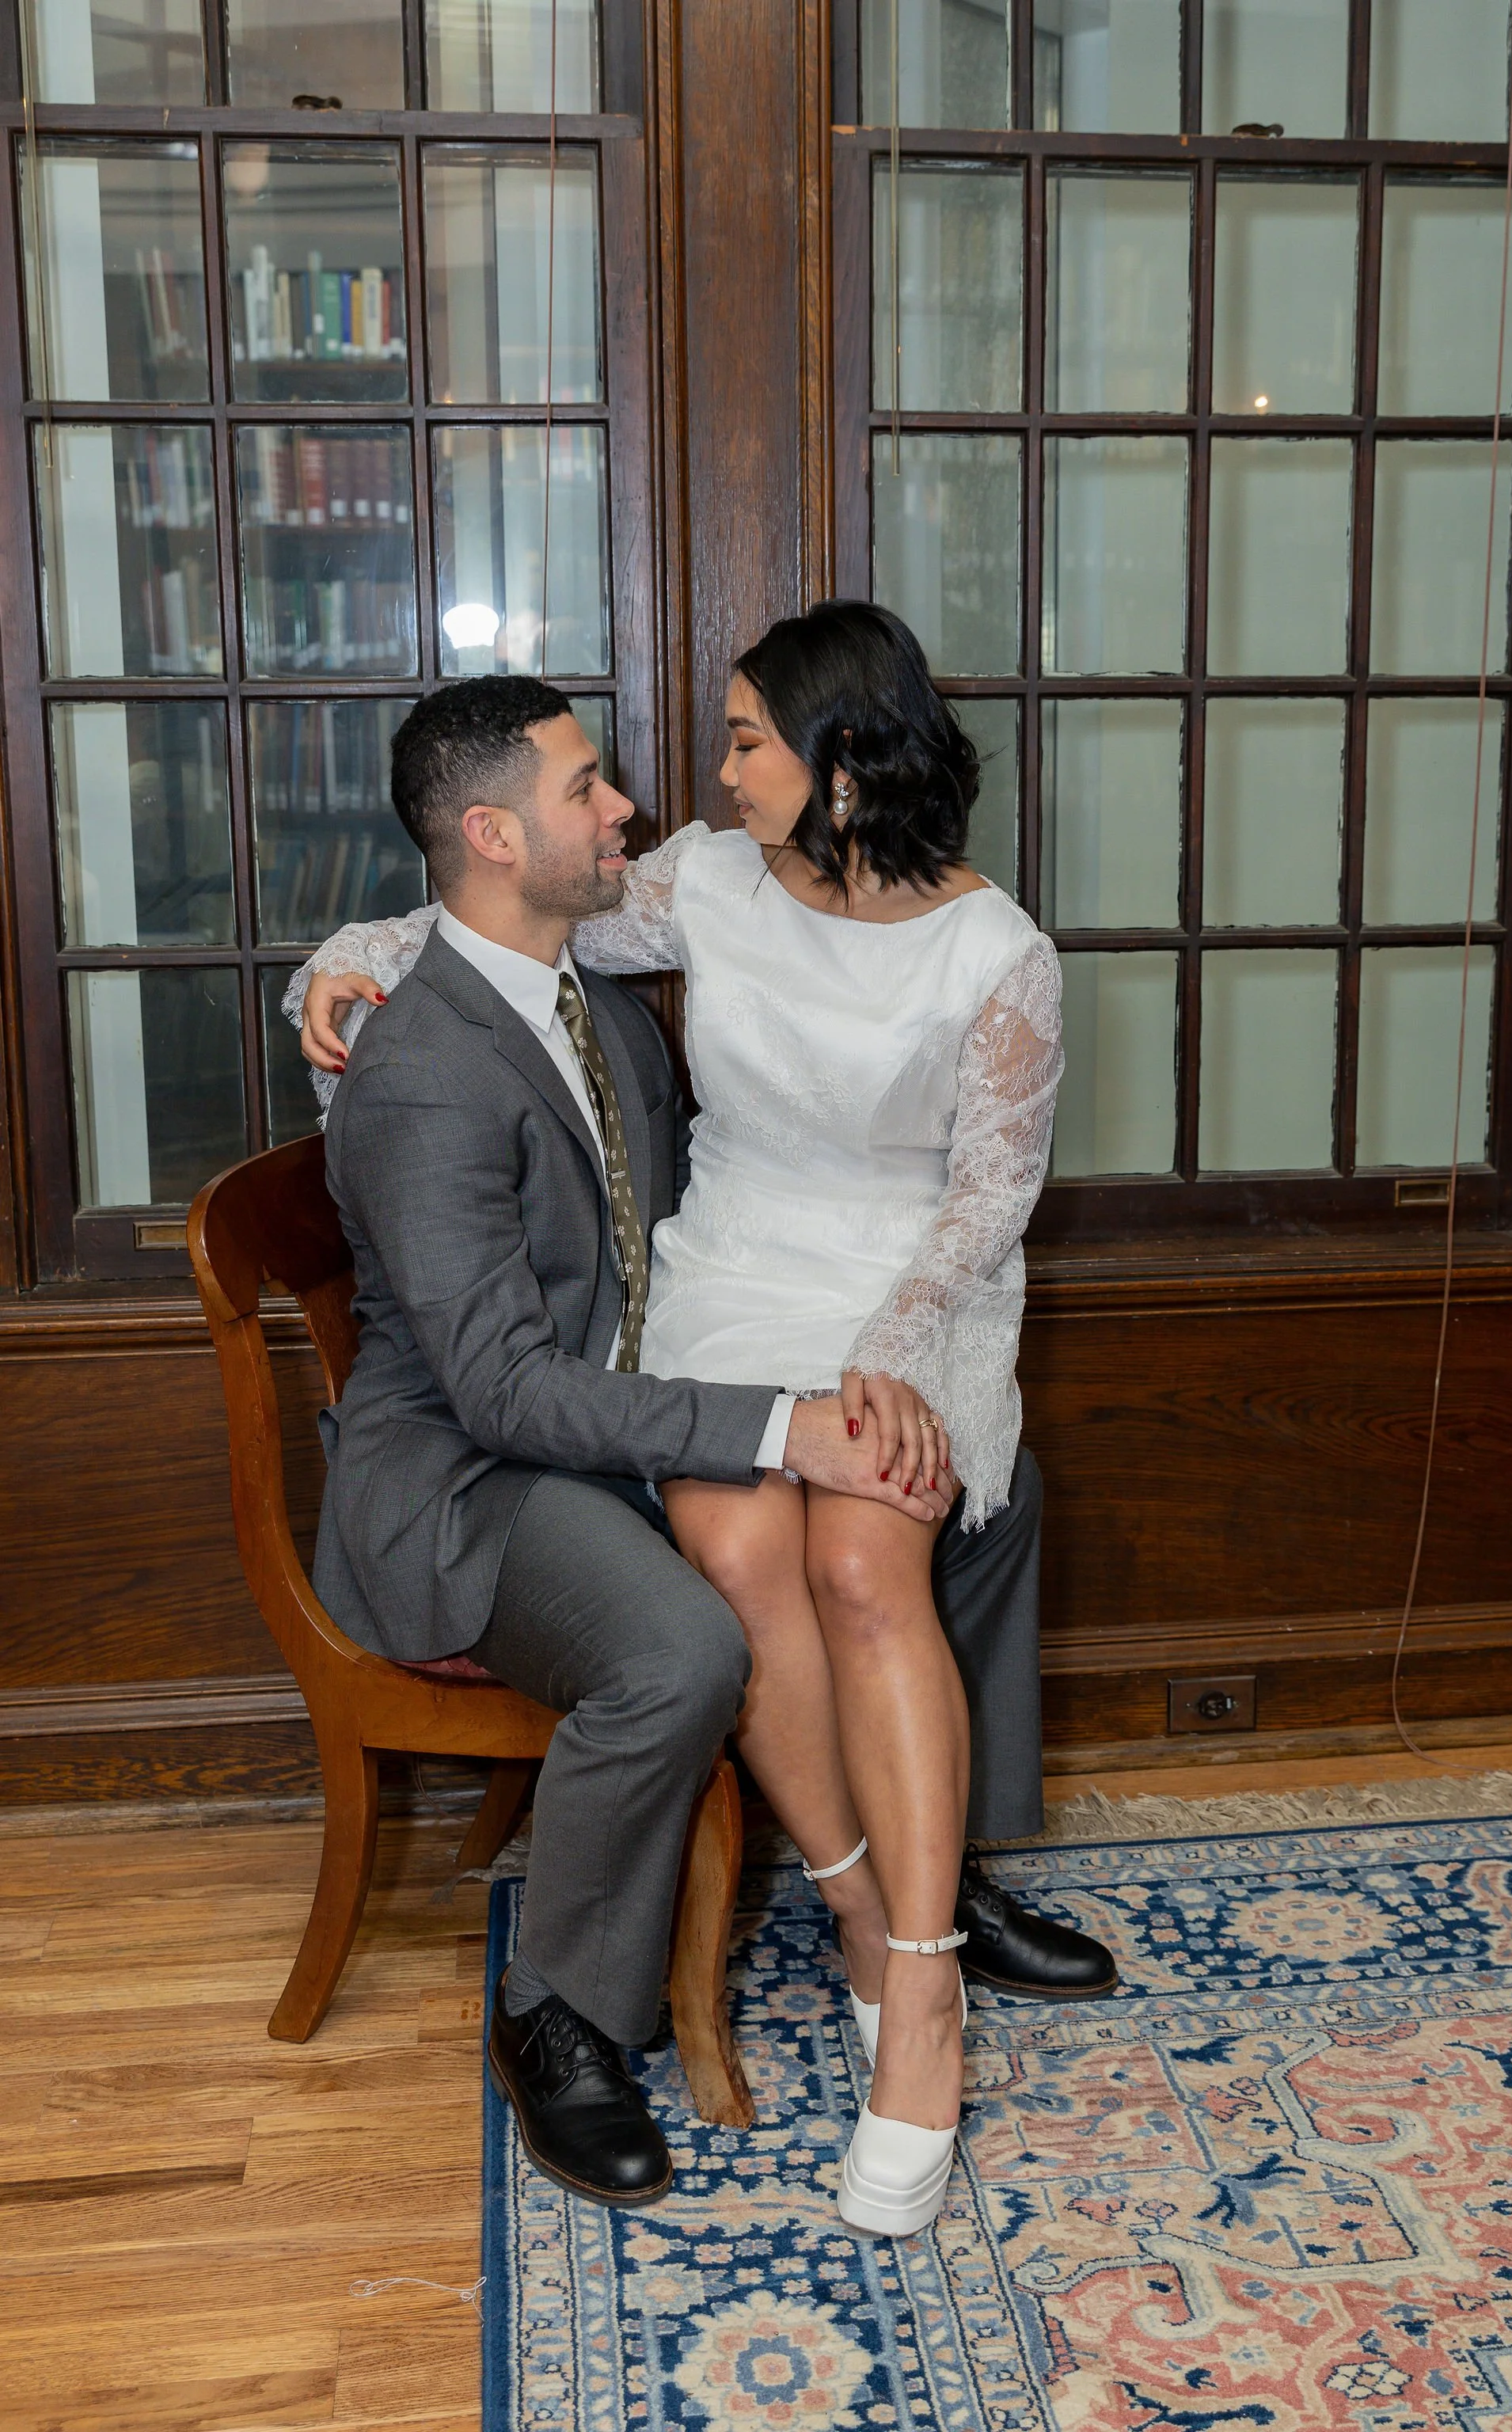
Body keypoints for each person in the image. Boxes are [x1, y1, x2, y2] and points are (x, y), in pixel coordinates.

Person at [291, 616, 1115, 2233]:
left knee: (878, 1561)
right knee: (727, 1579)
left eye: (739, 739)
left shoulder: (990, 949)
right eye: (604, 779)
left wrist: (876, 1367)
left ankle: (923, 1961)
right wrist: (341, 962)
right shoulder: (692, 892)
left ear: (843, 756)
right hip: (674, 1329)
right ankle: (829, 1919)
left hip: (895, 1290)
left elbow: (982, 1201)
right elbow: (469, 925)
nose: (675, 785)